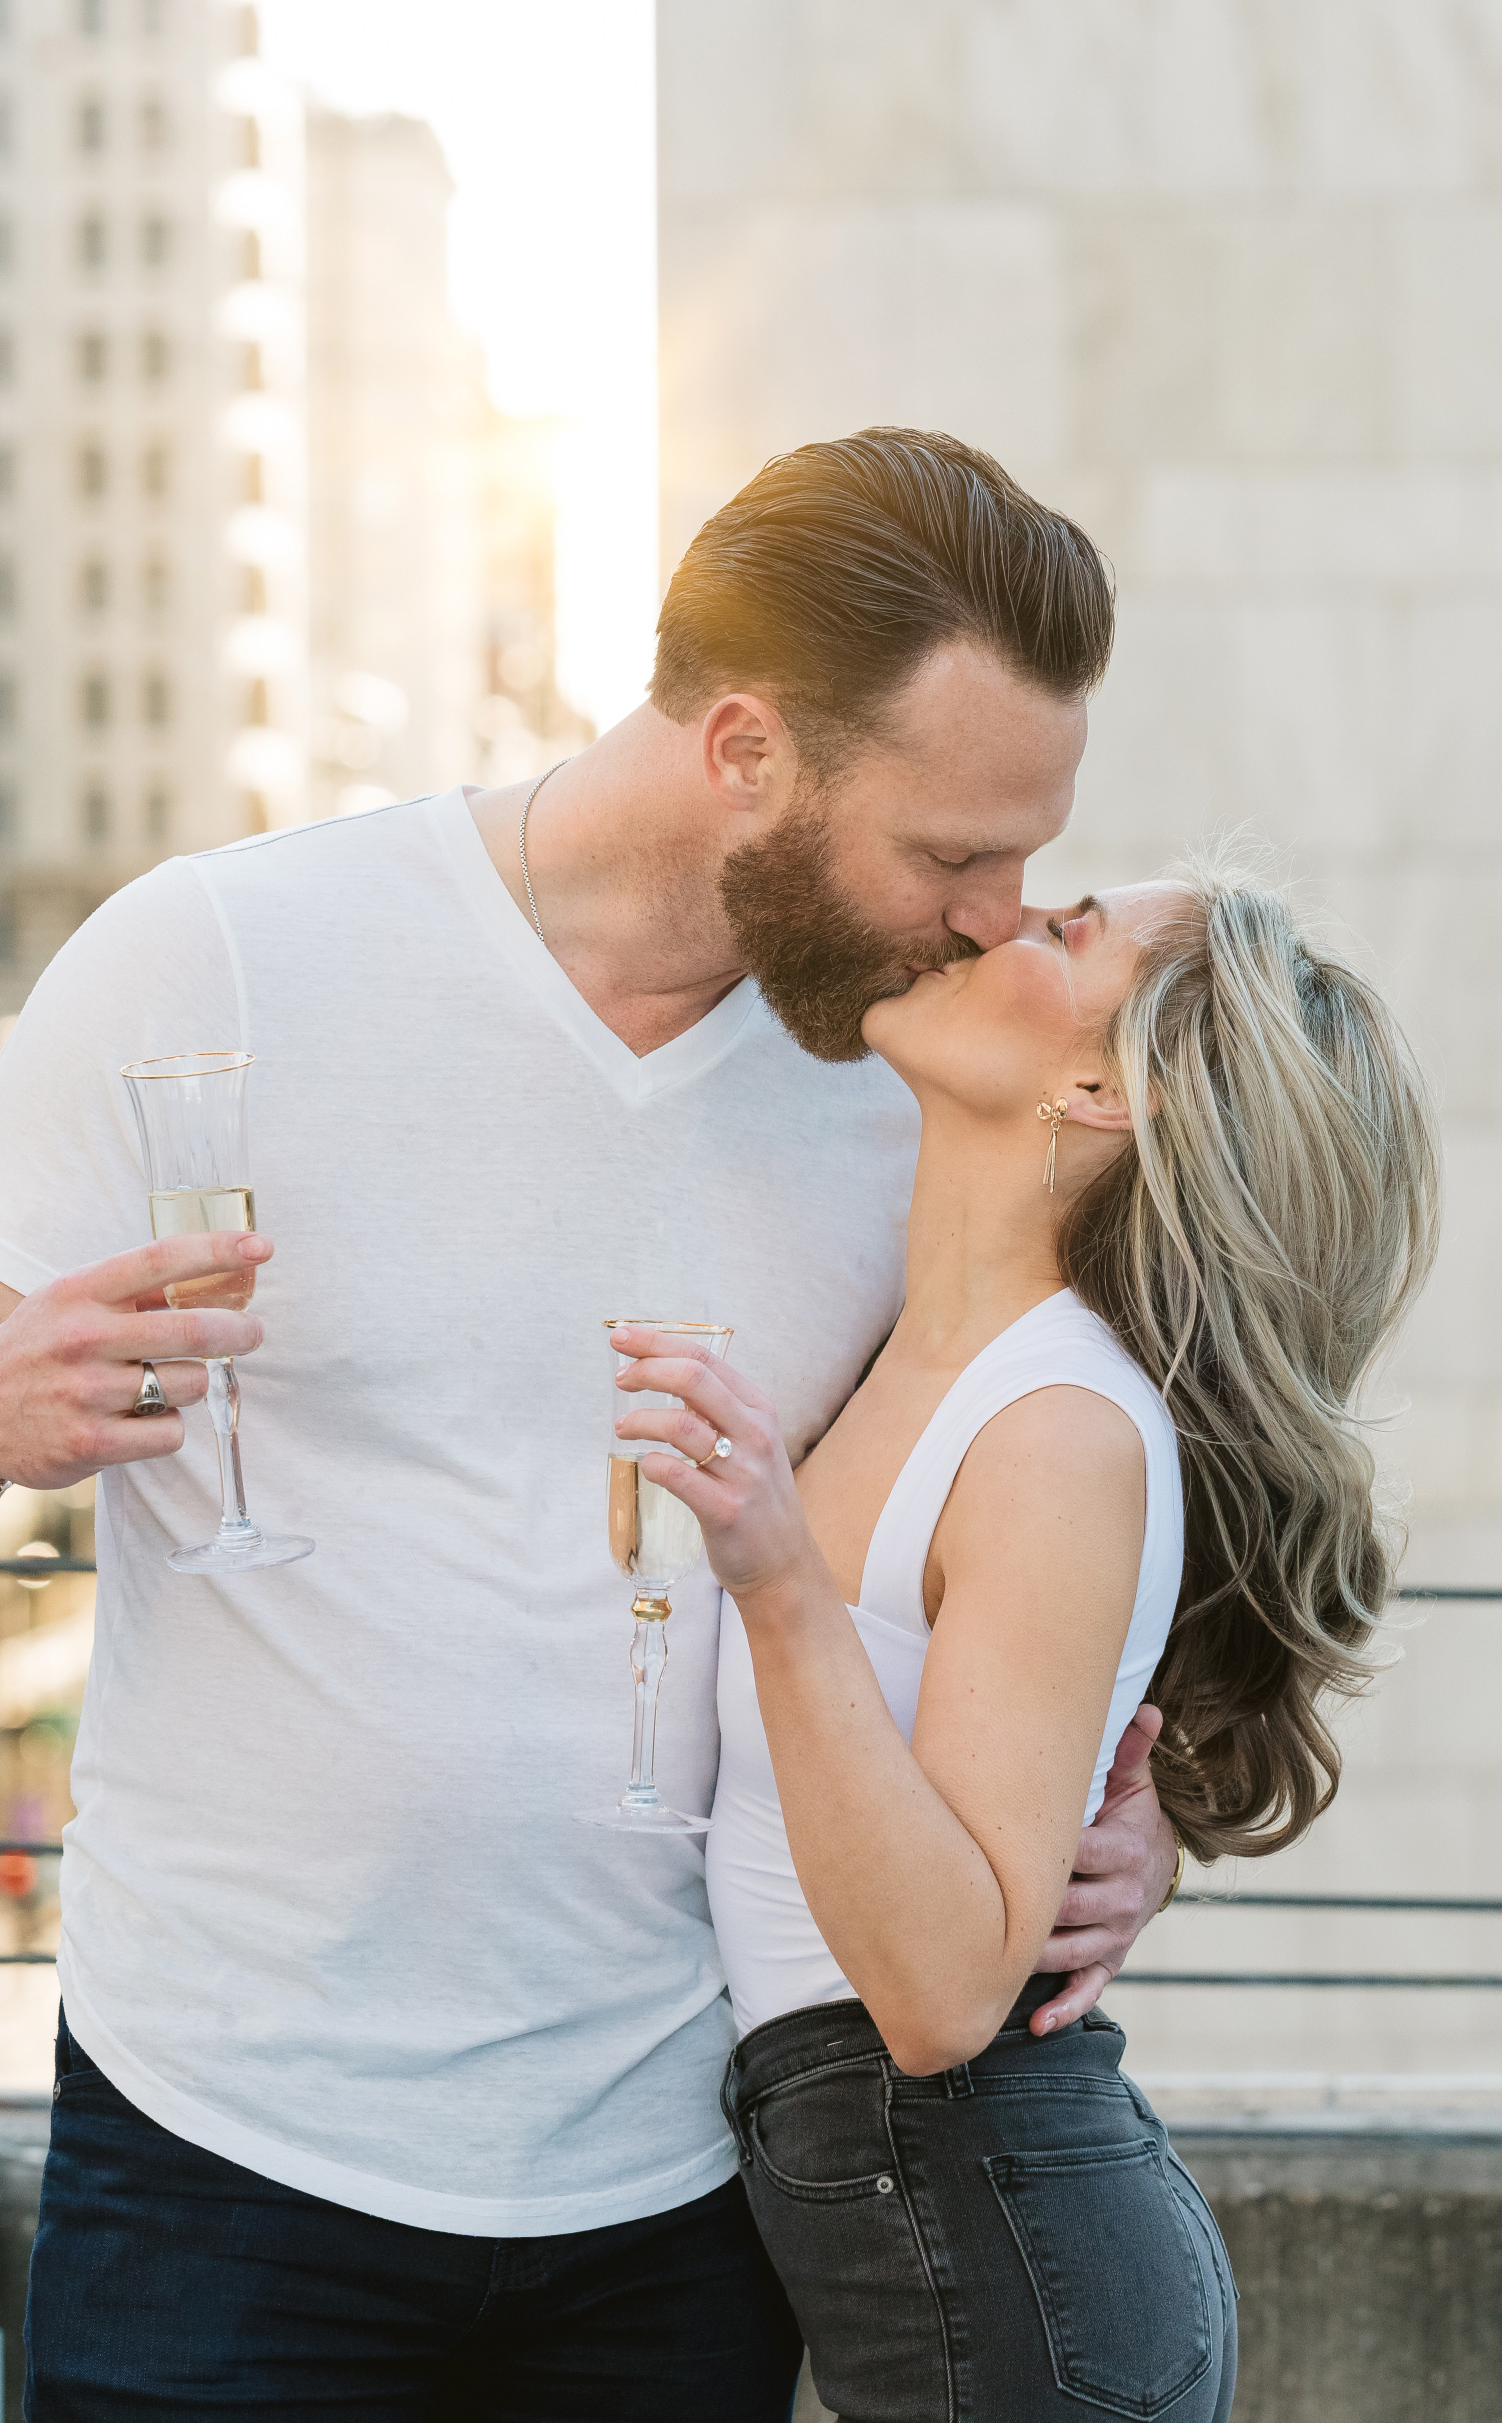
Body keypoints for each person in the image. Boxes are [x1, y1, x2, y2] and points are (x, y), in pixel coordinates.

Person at [0, 429, 1185, 2418]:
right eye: (953, 855)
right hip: (219, 2165)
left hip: (683, 2189)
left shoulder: (920, 1094)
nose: (993, 922)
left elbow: (1030, 1520)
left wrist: (1115, 1830)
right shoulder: (223, 955)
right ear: (750, 752)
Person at [616, 864, 1438, 2422]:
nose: (1004, 917)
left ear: (1102, 1094)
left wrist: (780, 1583)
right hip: (946, 2235)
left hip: (1006, 2278)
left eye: (1065, 935)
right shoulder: (922, 1343)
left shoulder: (1057, 1427)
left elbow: (937, 1998)